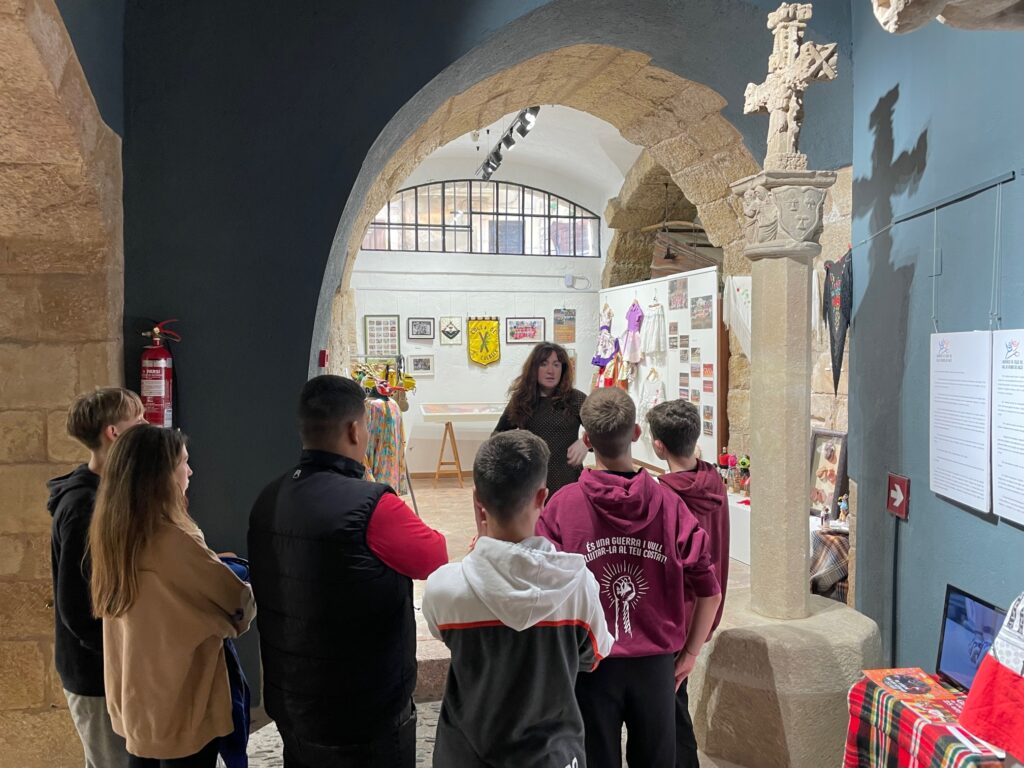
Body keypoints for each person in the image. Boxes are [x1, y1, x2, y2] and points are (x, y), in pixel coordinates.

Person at [248, 375, 448, 768]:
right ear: (355, 430)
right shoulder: (373, 506)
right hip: (364, 714)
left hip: (292, 701)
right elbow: (435, 555)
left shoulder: (268, 497)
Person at [537, 388, 722, 768]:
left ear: (587, 440)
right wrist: (690, 654)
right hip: (656, 664)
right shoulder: (670, 505)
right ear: (636, 433)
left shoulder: (562, 506)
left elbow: (543, 588)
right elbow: (710, 592)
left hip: (590, 661)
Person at [423, 431, 613, 767]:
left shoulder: (444, 587)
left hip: (466, 755)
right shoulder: (577, 585)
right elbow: (593, 656)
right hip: (552, 755)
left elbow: (443, 634)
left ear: (477, 500)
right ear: (542, 497)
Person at [89, 424, 255, 767]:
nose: (190, 471)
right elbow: (236, 603)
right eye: (184, 462)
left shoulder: (114, 536)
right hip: (182, 702)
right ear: (161, 476)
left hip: (138, 701)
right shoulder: (174, 539)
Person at [47, 388, 145, 768]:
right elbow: (76, 607)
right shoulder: (83, 507)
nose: (146, 425)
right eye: (138, 419)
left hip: (107, 668)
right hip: (96, 674)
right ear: (113, 432)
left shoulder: (106, 492)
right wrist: (120, 656)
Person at [647, 399, 731, 768]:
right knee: (675, 700)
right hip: (704, 610)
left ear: (658, 446)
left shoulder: (665, 495)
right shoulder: (715, 481)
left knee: (671, 710)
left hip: (674, 614)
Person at [494, 342, 588, 496]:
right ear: (534, 368)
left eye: (556, 365)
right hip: (530, 483)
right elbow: (498, 435)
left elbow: (604, 429)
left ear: (563, 369)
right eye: (543, 364)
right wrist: (515, 454)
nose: (550, 371)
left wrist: (586, 441)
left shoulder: (575, 399)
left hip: (568, 482)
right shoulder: (521, 400)